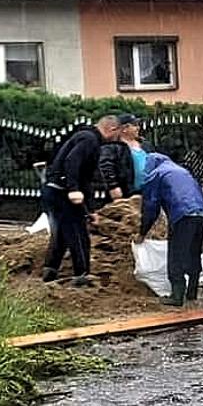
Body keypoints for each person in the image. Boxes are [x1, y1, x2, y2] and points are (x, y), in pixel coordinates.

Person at [40, 115, 120, 286]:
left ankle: (50, 269)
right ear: (112, 129)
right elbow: (71, 162)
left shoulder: (88, 139)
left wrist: (90, 211)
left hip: (55, 190)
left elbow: (86, 179)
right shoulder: (89, 139)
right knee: (78, 233)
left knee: (62, 232)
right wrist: (73, 189)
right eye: (117, 134)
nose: (117, 139)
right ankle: (82, 275)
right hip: (61, 192)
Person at [136, 153, 203, 307]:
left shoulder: (156, 175)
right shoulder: (181, 171)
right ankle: (192, 292)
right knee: (193, 252)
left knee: (176, 254)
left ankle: (176, 296)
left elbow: (151, 207)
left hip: (182, 214)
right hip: (201, 212)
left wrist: (143, 232)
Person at [95, 113, 142, 203]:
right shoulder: (113, 146)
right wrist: (113, 186)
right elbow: (105, 165)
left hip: (145, 193)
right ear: (124, 129)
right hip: (126, 195)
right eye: (134, 125)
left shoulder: (145, 144)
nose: (138, 128)